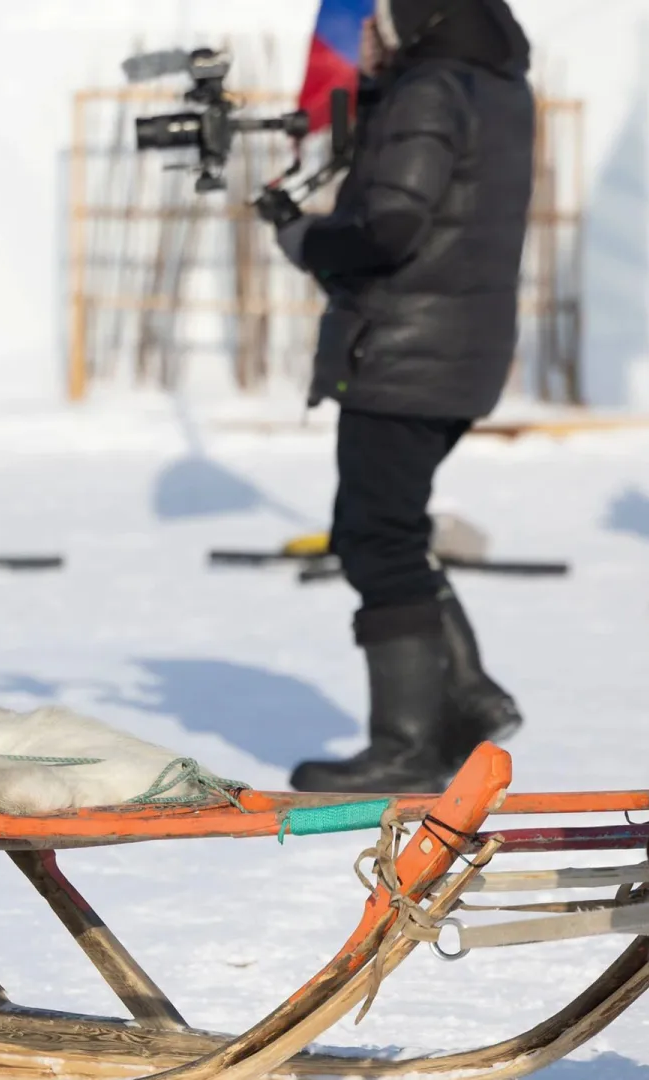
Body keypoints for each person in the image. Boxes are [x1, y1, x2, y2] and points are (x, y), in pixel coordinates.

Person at [264, 0, 532, 793]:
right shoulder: (494, 85)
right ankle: (470, 699)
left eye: (373, 24)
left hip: (406, 352)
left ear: (415, 21)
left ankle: (408, 749)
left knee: (375, 539)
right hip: (453, 350)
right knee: (382, 528)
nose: (364, 40)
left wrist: (303, 237)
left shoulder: (432, 90)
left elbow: (388, 227)